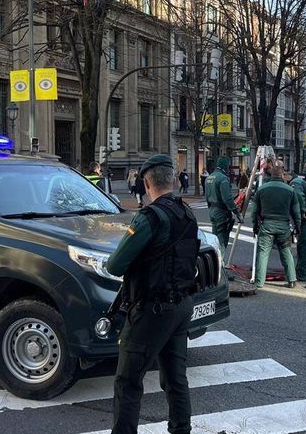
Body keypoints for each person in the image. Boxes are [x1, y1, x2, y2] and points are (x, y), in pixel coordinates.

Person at [104, 154, 198, 434]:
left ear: (146, 183)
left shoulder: (150, 217)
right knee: (175, 379)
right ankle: (181, 430)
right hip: (181, 305)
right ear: (172, 180)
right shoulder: (187, 213)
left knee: (127, 381)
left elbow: (115, 265)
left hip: (152, 310)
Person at [247, 161, 301, 289]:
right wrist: (297, 227)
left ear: (271, 176)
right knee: (286, 251)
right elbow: (296, 212)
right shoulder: (290, 190)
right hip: (283, 226)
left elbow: (254, 211)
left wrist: (255, 226)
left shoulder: (262, 189)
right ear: (282, 175)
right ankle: (292, 280)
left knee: (263, 253)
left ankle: (259, 282)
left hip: (267, 225)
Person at [205, 157, 242, 255]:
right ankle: (220, 264)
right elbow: (227, 199)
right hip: (221, 212)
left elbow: (206, 195)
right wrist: (237, 212)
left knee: (214, 238)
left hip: (212, 210)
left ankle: (214, 263)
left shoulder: (210, 177)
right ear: (225, 166)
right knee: (222, 238)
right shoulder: (223, 178)